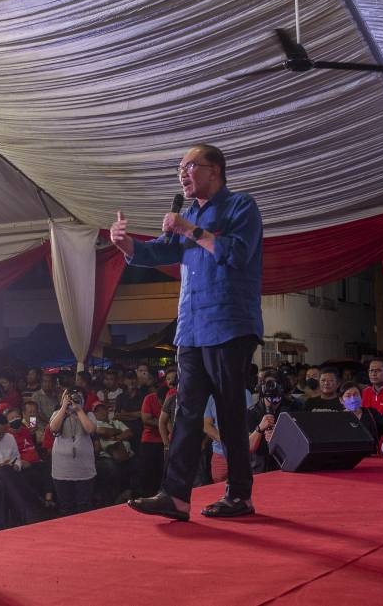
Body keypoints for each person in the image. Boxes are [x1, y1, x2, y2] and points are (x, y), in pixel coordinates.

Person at [112, 143, 263, 521]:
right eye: (179, 168)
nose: (182, 173)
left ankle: (239, 495)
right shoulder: (189, 216)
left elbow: (235, 254)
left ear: (215, 171)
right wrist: (127, 244)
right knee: (186, 412)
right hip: (191, 329)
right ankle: (176, 496)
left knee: (229, 413)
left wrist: (191, 229)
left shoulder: (241, 206)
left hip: (229, 325)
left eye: (190, 166)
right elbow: (161, 251)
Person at [49, 387, 97, 515]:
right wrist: (63, 407)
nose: (73, 400)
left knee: (84, 506)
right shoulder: (57, 413)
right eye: (70, 397)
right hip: (62, 470)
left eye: (77, 397)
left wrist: (79, 410)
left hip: (84, 470)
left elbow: (90, 429)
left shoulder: (89, 414)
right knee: (65, 507)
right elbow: (53, 428)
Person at [340, 383, 383, 455]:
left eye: (356, 395)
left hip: (371, 457)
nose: (353, 399)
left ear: (361, 397)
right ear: (341, 400)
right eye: (348, 396)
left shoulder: (371, 413)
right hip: (346, 457)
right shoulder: (338, 418)